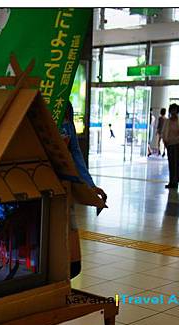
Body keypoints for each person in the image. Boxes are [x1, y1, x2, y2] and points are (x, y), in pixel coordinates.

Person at [60, 101, 107, 278]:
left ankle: (72, 266)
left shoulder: (65, 110)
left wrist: (89, 184)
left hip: (65, 184)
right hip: (43, 182)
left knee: (70, 222)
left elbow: (75, 153)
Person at [161, 103, 179, 189]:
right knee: (171, 163)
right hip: (170, 144)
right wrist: (165, 142)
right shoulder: (167, 121)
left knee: (177, 163)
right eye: (172, 109)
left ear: (177, 111)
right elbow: (164, 132)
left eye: (175, 110)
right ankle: (171, 181)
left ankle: (175, 181)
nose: (173, 111)